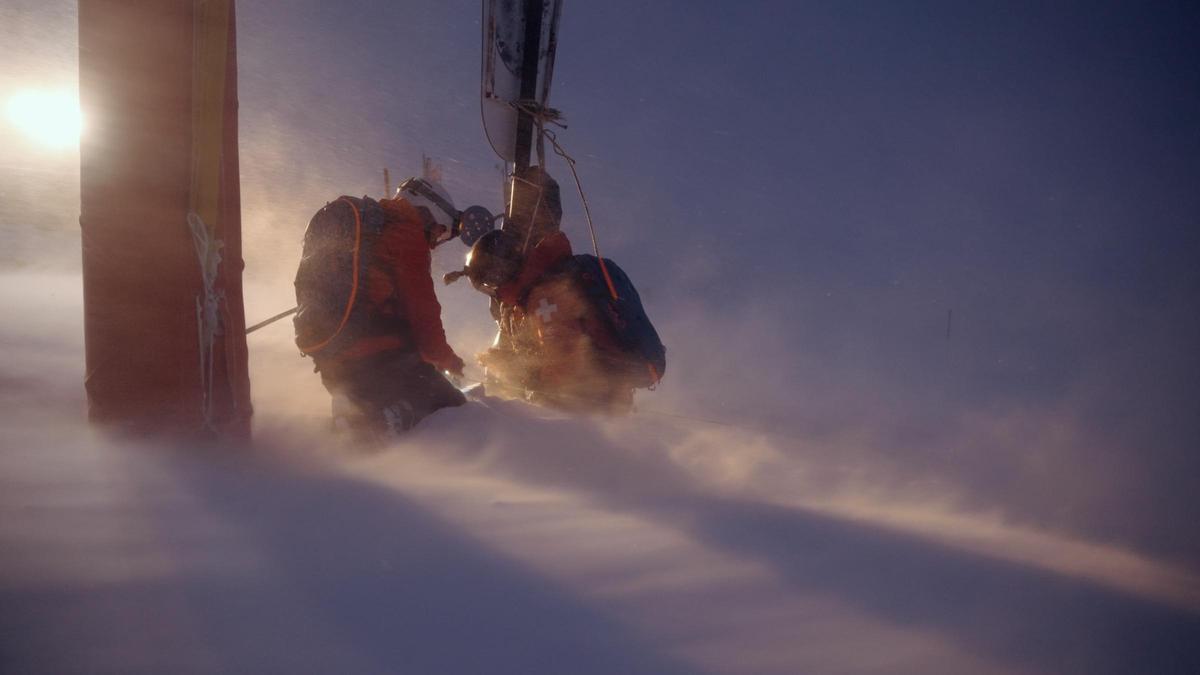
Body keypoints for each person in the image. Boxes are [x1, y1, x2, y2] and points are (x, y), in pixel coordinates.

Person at [308, 177, 467, 437]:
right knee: (450, 404)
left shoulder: (372, 229)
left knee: (376, 396)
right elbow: (424, 315)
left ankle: (350, 415)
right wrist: (450, 362)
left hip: (333, 360)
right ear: (428, 210)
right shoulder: (407, 234)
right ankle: (375, 426)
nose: (435, 241)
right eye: (440, 230)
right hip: (378, 359)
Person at [461, 227, 638, 414]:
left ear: (500, 273)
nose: (495, 294)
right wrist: (511, 362)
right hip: (603, 397)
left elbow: (564, 367)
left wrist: (518, 374)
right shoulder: (547, 282)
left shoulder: (545, 297)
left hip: (592, 405)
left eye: (490, 285)